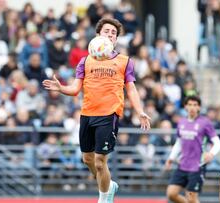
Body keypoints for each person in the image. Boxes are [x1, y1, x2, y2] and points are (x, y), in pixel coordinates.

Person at [43, 18, 151, 203]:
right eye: (106, 31)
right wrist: (61, 88)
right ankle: (108, 185)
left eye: (113, 33)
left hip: (109, 114)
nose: (110, 34)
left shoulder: (124, 61)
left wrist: (139, 110)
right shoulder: (85, 61)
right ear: (98, 35)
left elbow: (131, 88)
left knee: (101, 161)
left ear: (116, 39)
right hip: (87, 114)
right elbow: (75, 89)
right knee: (88, 160)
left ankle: (104, 198)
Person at [164, 96, 220, 203]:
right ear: (185, 106)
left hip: (197, 166)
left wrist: (211, 154)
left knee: (191, 198)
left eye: (195, 105)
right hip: (182, 165)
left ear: (199, 107)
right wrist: (171, 158)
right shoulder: (181, 122)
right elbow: (179, 142)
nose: (192, 107)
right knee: (171, 194)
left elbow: (218, 143)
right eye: (190, 104)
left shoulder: (205, 123)